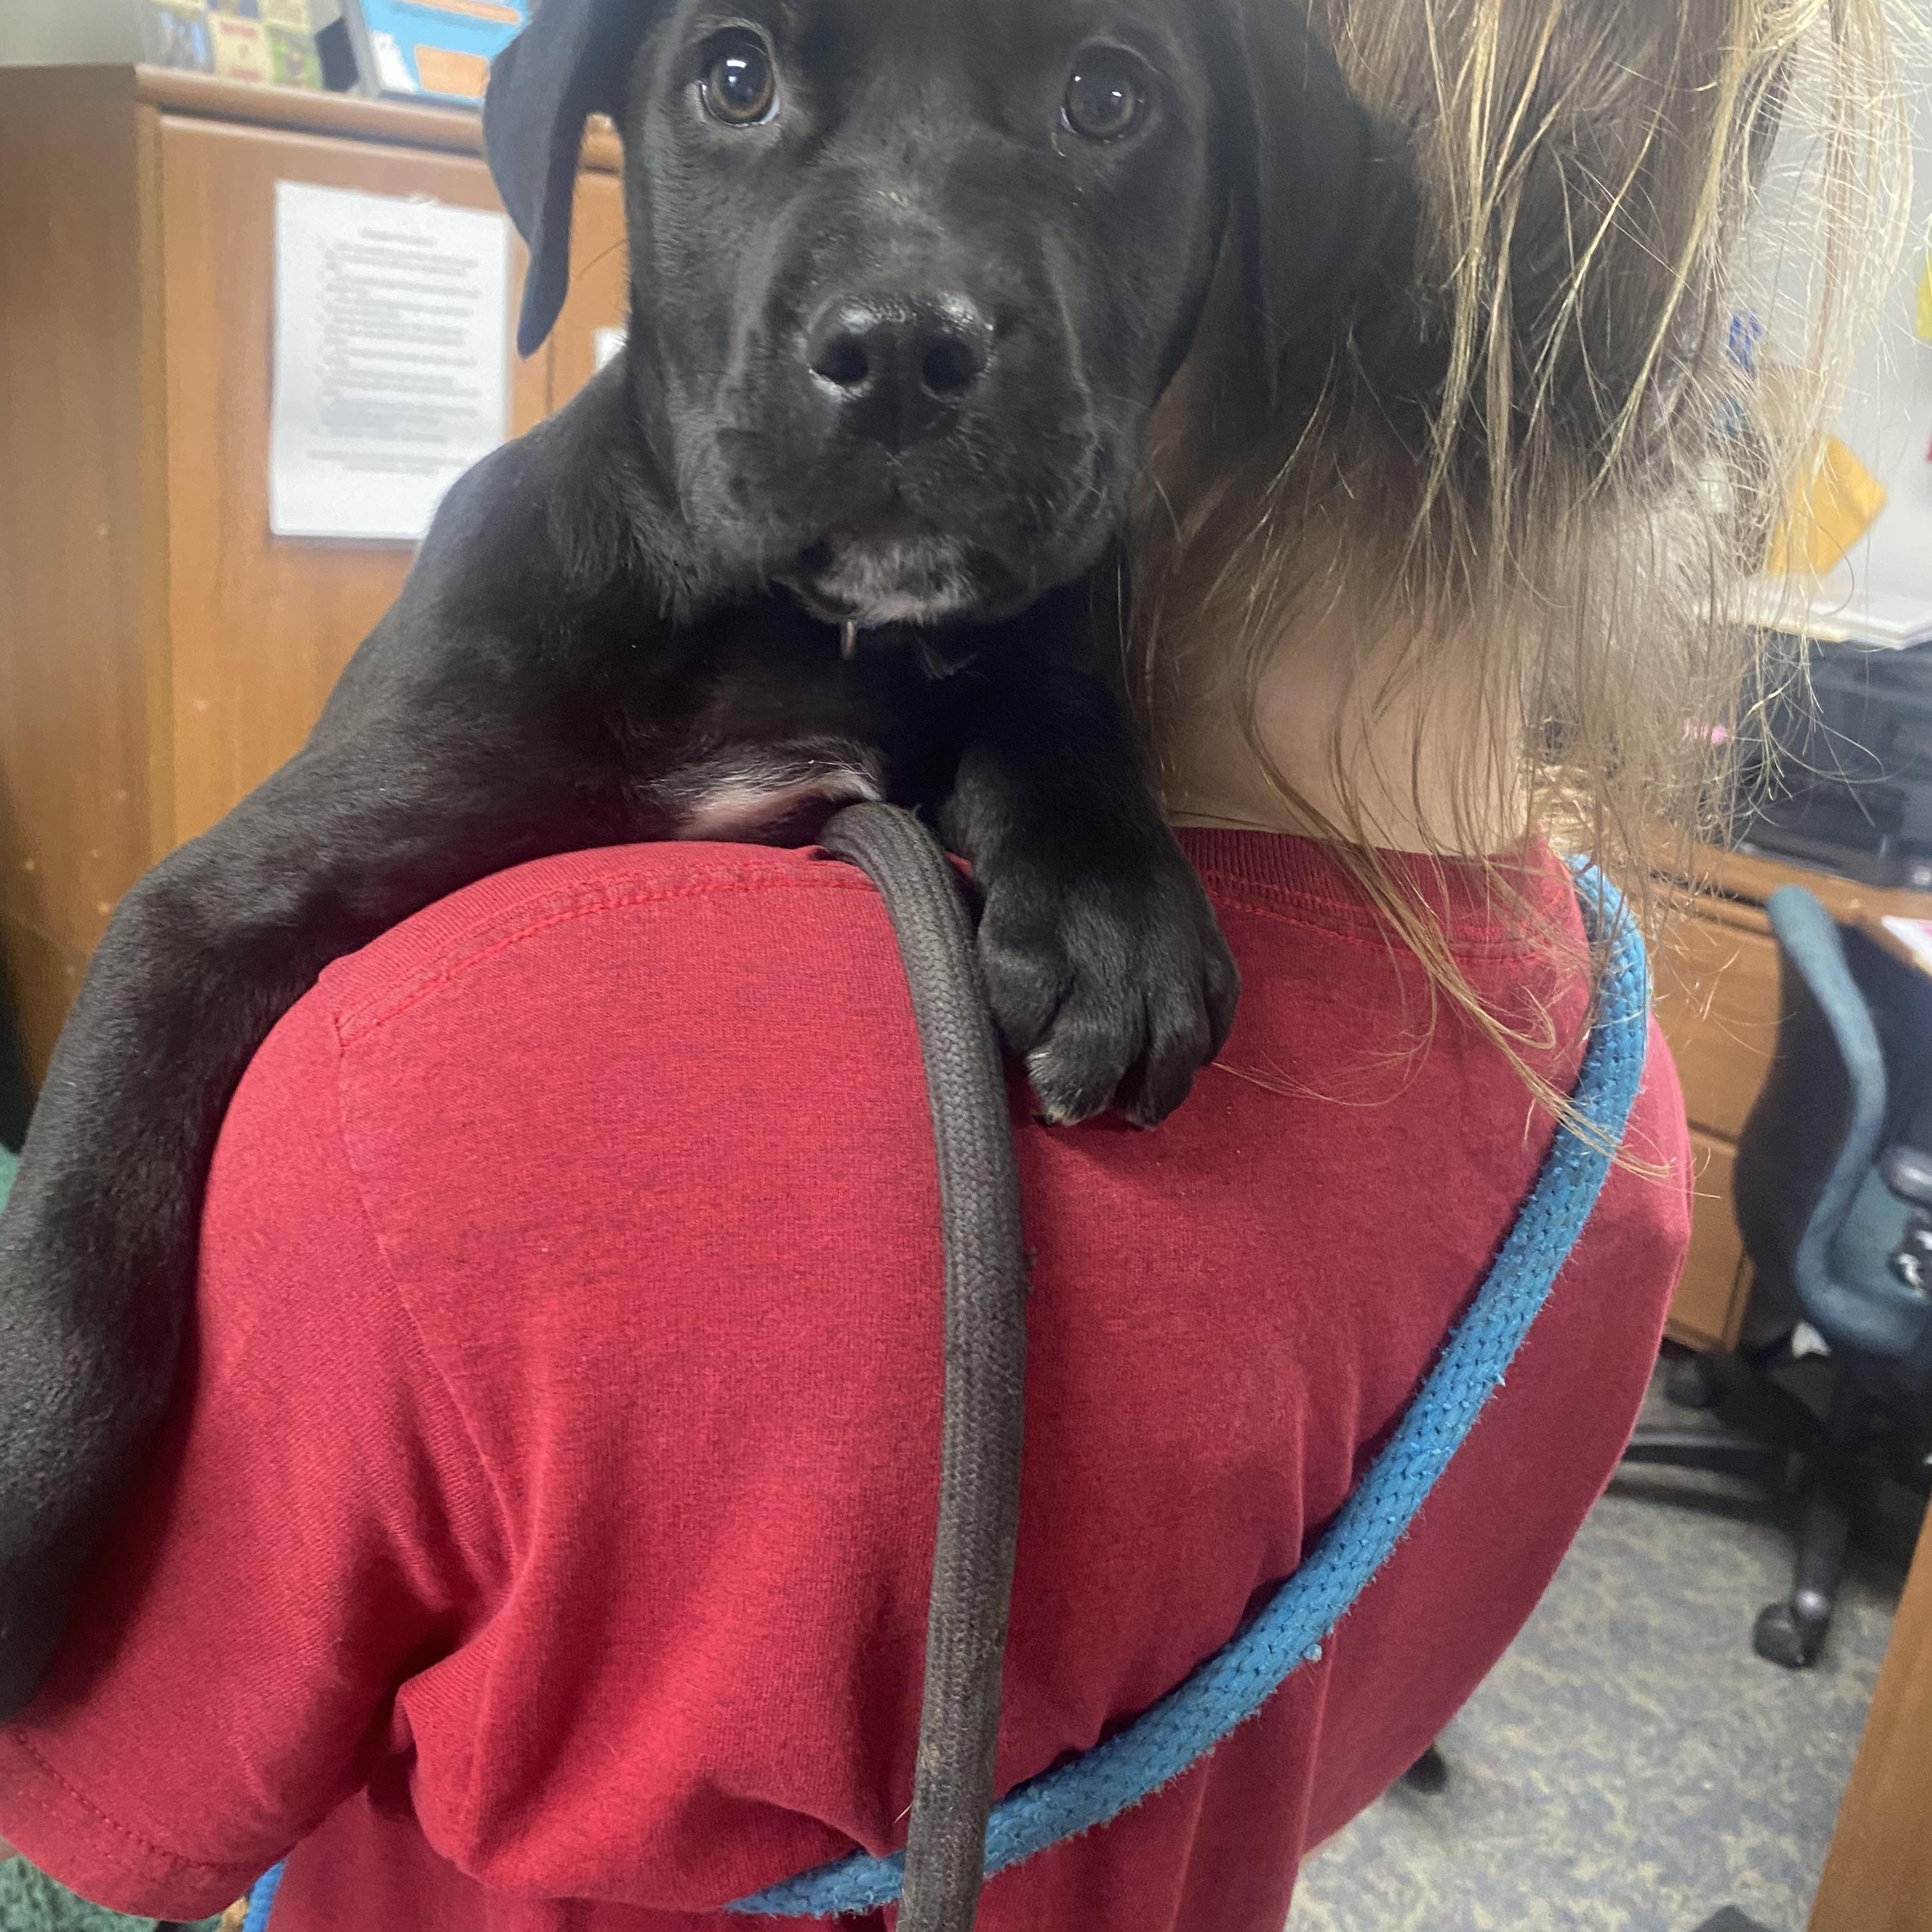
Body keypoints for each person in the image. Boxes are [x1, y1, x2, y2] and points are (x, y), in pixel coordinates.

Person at [0, 0, 1910, 1927]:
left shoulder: (1037, 671)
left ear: (1264, 232)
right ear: (597, 133)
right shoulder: (1609, 1130)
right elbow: (204, 929)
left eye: (1097, 95)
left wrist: (1062, 766)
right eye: (740, 82)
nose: (904, 295)